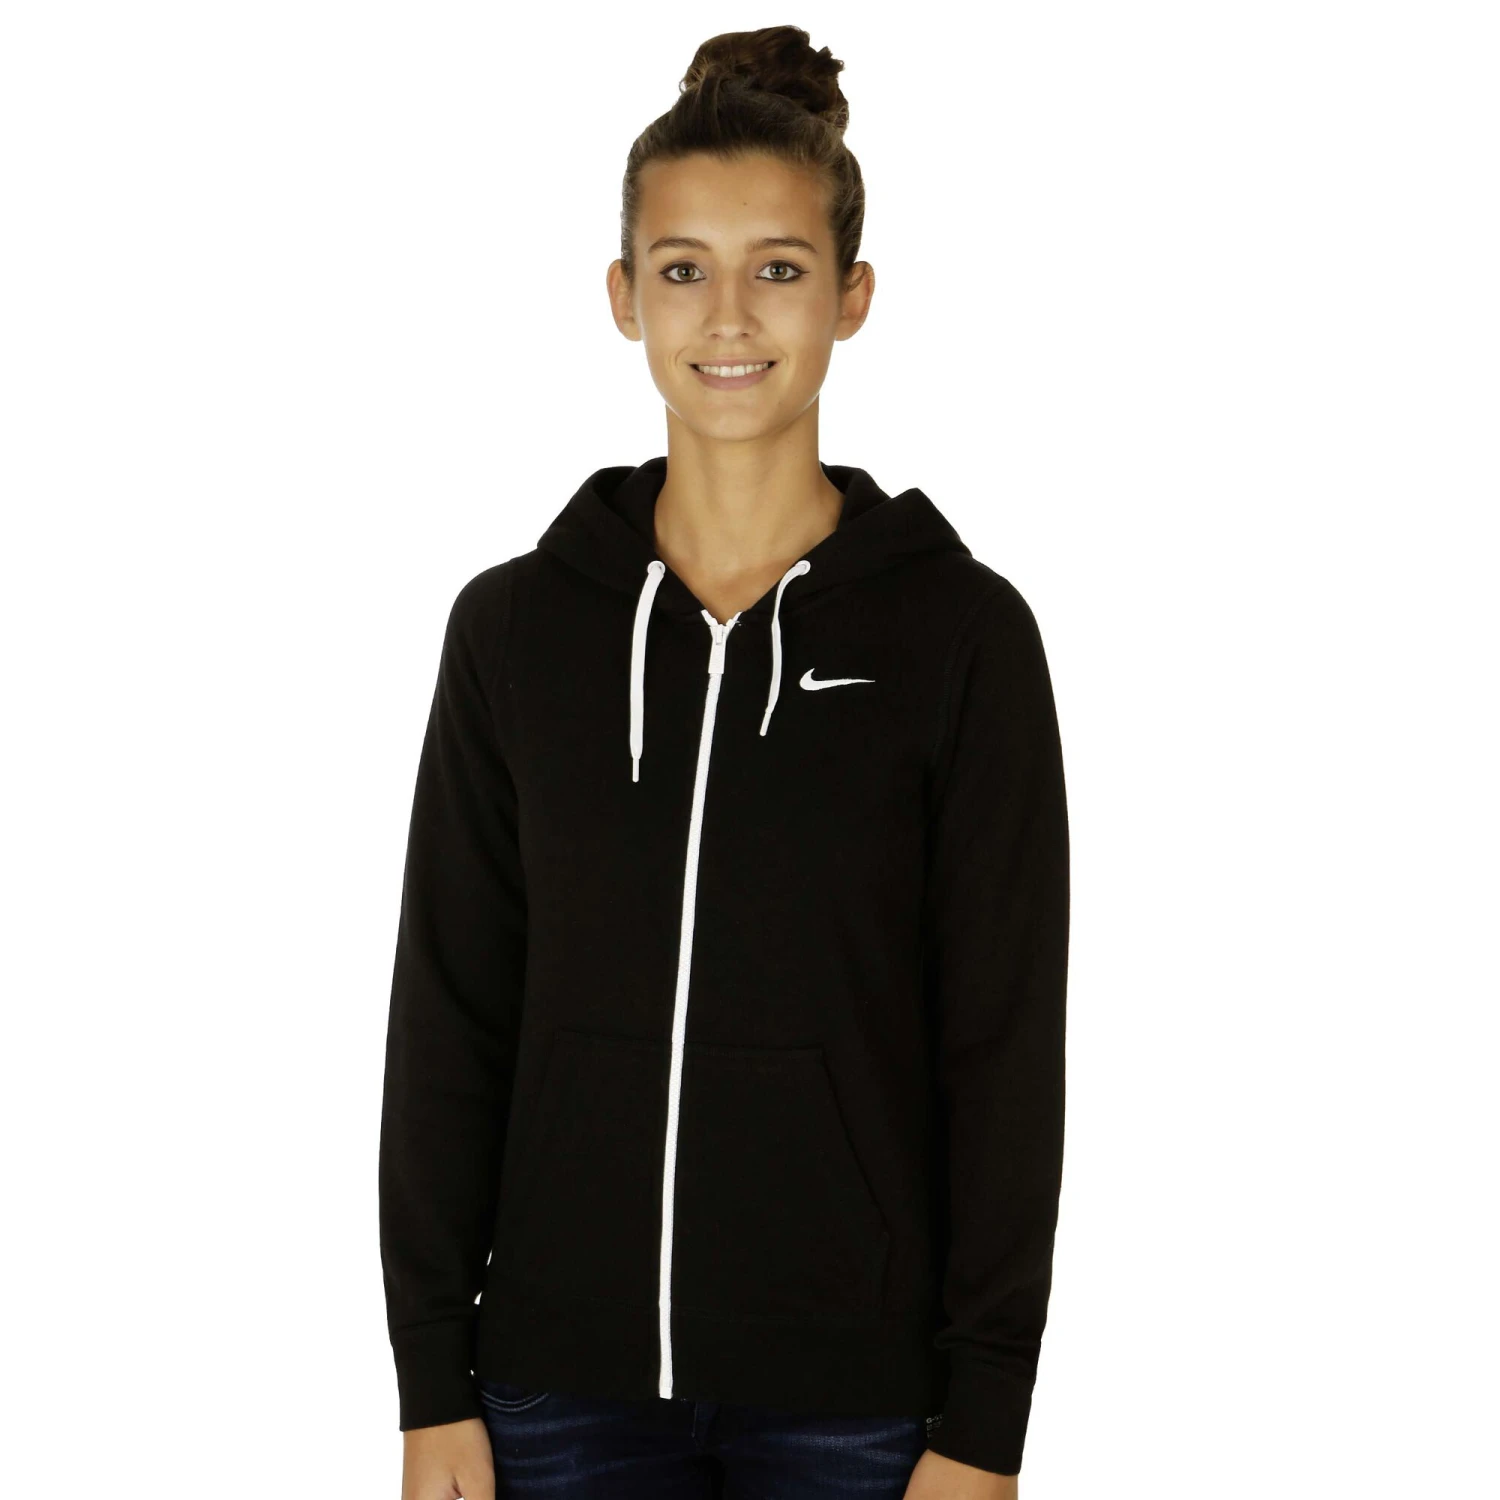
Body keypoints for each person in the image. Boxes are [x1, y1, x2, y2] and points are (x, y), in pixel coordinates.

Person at [379, 24, 1070, 1500]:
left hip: (860, 1408)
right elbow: (450, 1016)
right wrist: (430, 1379)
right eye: (684, 268)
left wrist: (985, 1423)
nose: (730, 314)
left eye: (781, 267)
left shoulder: (961, 636)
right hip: (554, 1394)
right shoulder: (515, 631)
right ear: (623, 296)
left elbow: (1004, 1050)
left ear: (852, 297)